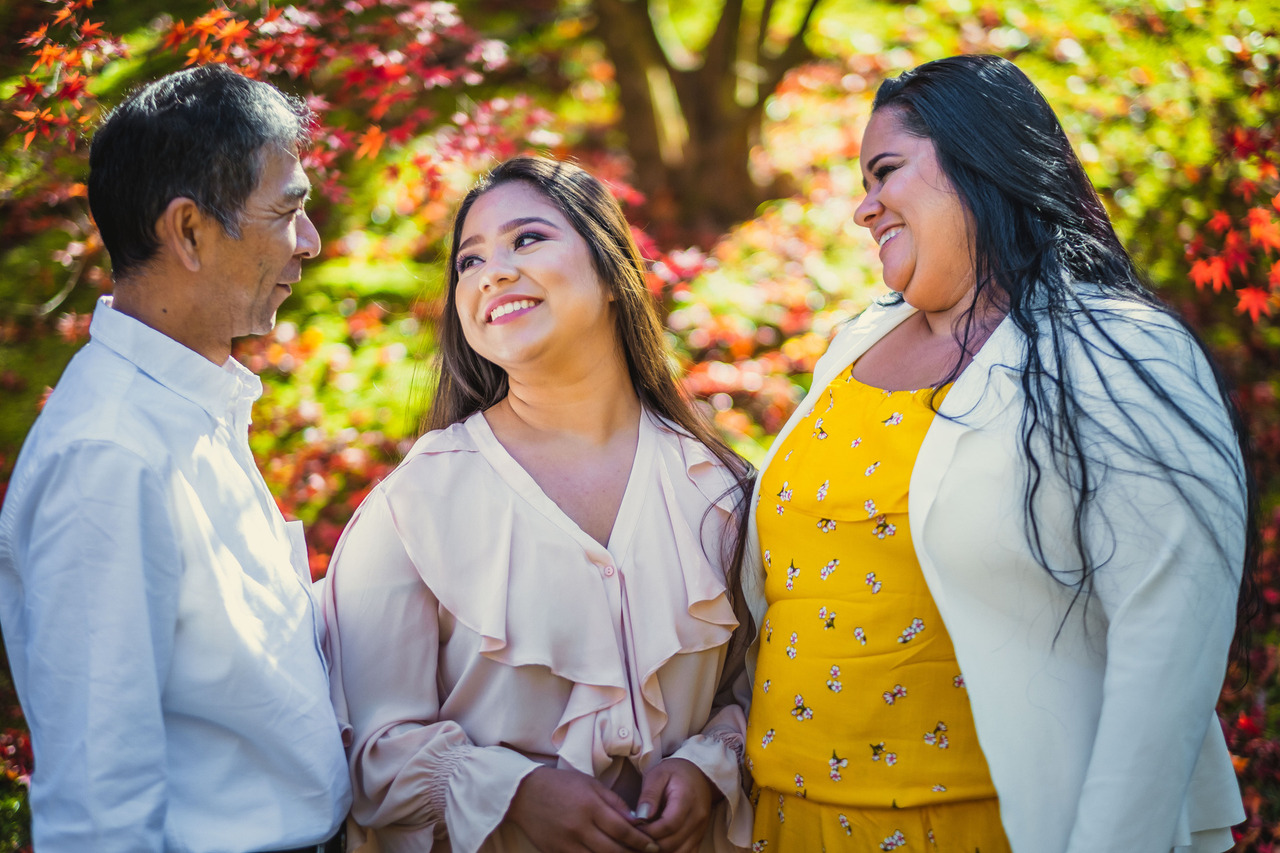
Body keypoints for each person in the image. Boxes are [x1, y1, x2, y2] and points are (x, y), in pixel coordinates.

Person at [741, 54, 1253, 853]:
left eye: (884, 172)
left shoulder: (1119, 349)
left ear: (980, 156)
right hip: (791, 821)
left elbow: (1168, 641)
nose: (863, 209)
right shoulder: (852, 344)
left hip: (994, 826)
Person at [322, 156, 755, 853]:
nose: (491, 271)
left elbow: (764, 694)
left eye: (527, 239)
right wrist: (510, 793)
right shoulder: (415, 503)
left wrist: (707, 768)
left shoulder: (721, 490)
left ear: (612, 272)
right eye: (469, 260)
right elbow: (367, 747)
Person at [0, 64, 351, 852]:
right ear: (188, 230)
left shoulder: (191, 408)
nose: (311, 241)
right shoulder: (110, 455)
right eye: (288, 210)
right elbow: (98, 806)